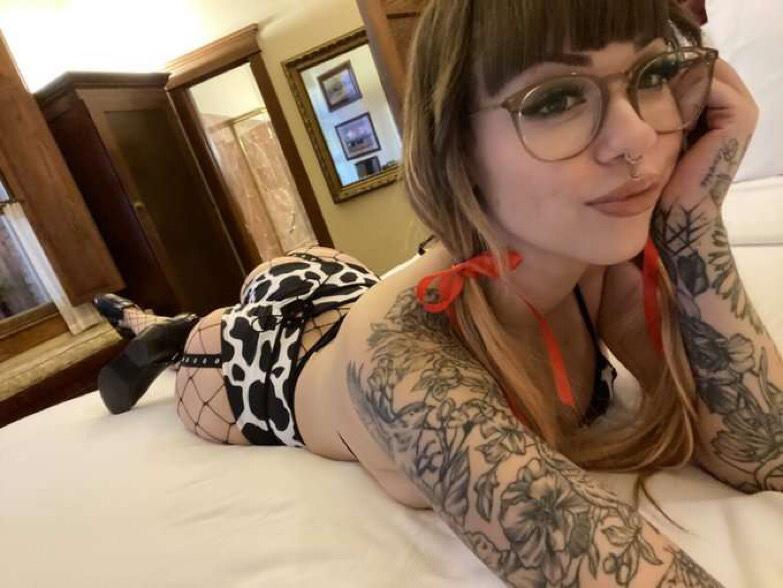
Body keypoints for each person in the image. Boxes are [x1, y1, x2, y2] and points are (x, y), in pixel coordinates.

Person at [93, 0, 774, 585]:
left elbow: (761, 452)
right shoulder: (402, 359)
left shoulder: (603, 267)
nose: (636, 139)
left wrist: (694, 222)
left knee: (352, 283)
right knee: (192, 346)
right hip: (269, 350)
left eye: (652, 75)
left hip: (354, 288)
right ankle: (157, 328)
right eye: (555, 99)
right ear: (456, 146)